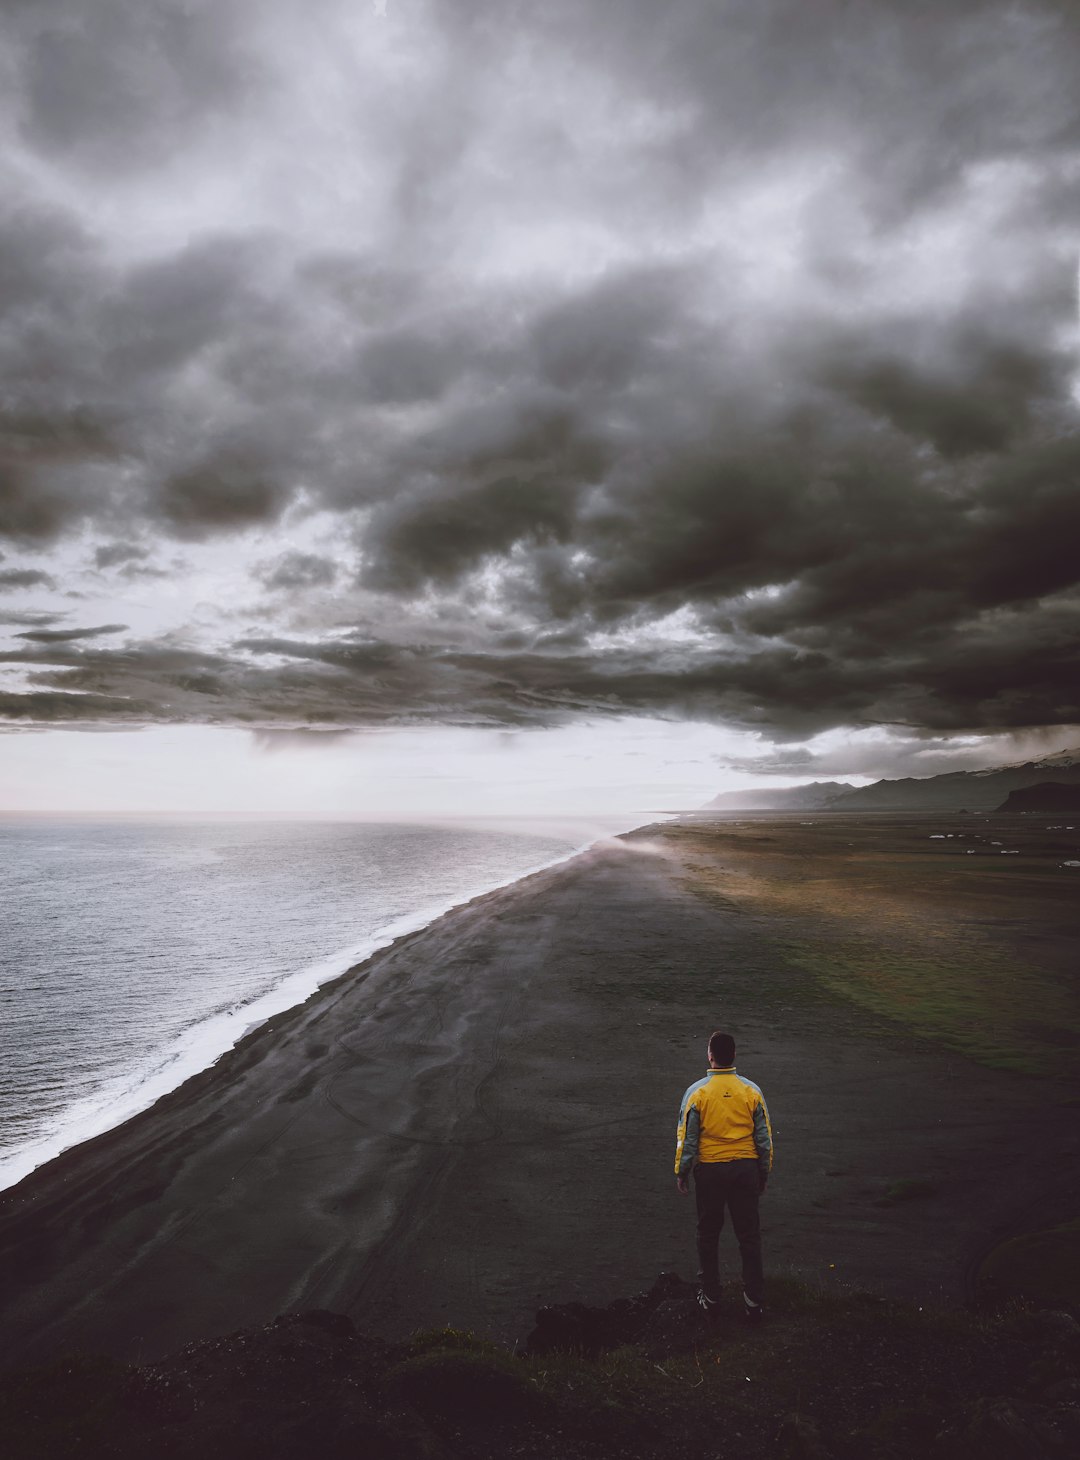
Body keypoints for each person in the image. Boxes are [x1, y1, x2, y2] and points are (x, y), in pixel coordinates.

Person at [674, 1030, 773, 1323]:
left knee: (708, 1234)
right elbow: (764, 1138)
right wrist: (763, 1172)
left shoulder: (697, 1093)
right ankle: (753, 1300)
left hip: (711, 1172)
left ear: (710, 1056)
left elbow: (687, 1138)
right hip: (746, 1170)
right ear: (734, 1056)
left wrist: (682, 1171)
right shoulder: (751, 1091)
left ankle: (711, 1297)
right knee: (749, 1236)